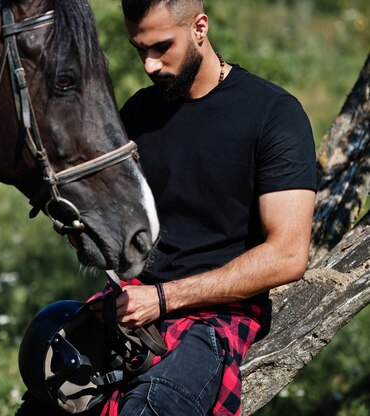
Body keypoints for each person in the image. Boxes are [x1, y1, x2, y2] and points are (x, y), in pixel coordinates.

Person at [17, 0, 317, 415]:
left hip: (215, 317)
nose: (149, 65)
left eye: (160, 47)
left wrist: (164, 298)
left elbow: (287, 255)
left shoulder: (273, 114)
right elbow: (114, 225)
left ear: (199, 28)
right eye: (140, 49)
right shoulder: (137, 113)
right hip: (130, 305)